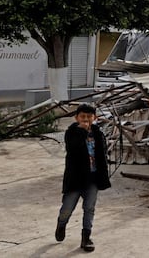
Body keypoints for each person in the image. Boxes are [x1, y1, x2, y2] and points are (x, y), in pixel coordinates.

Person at [55, 103, 111, 252]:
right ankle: (61, 224)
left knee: (89, 208)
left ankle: (86, 238)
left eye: (89, 117)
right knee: (67, 207)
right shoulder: (71, 133)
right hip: (75, 178)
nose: (86, 120)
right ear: (76, 118)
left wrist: (103, 177)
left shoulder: (98, 134)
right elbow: (72, 149)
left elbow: (102, 156)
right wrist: (82, 132)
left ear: (95, 118)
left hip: (92, 178)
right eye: (82, 117)